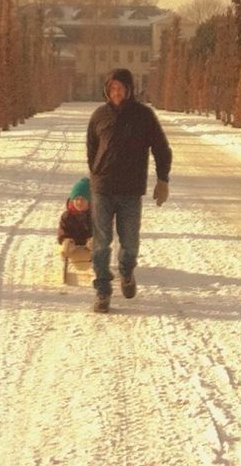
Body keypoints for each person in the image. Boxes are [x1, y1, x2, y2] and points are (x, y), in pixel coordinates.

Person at [85, 67, 172, 313]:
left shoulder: (144, 116)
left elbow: (162, 149)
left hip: (130, 191)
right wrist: (96, 173)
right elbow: (91, 148)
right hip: (103, 188)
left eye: (121, 88)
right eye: (112, 88)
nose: (117, 92)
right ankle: (102, 290)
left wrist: (162, 180)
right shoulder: (99, 116)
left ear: (129, 90)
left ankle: (126, 271)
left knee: (130, 241)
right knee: (101, 243)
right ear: (106, 89)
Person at [57, 176, 93, 258]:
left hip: (90, 244)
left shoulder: (96, 215)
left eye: (83, 199)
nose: (80, 202)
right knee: (66, 246)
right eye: (77, 199)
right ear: (72, 200)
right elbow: (62, 231)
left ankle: (98, 264)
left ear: (90, 201)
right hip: (73, 244)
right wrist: (65, 239)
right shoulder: (67, 216)